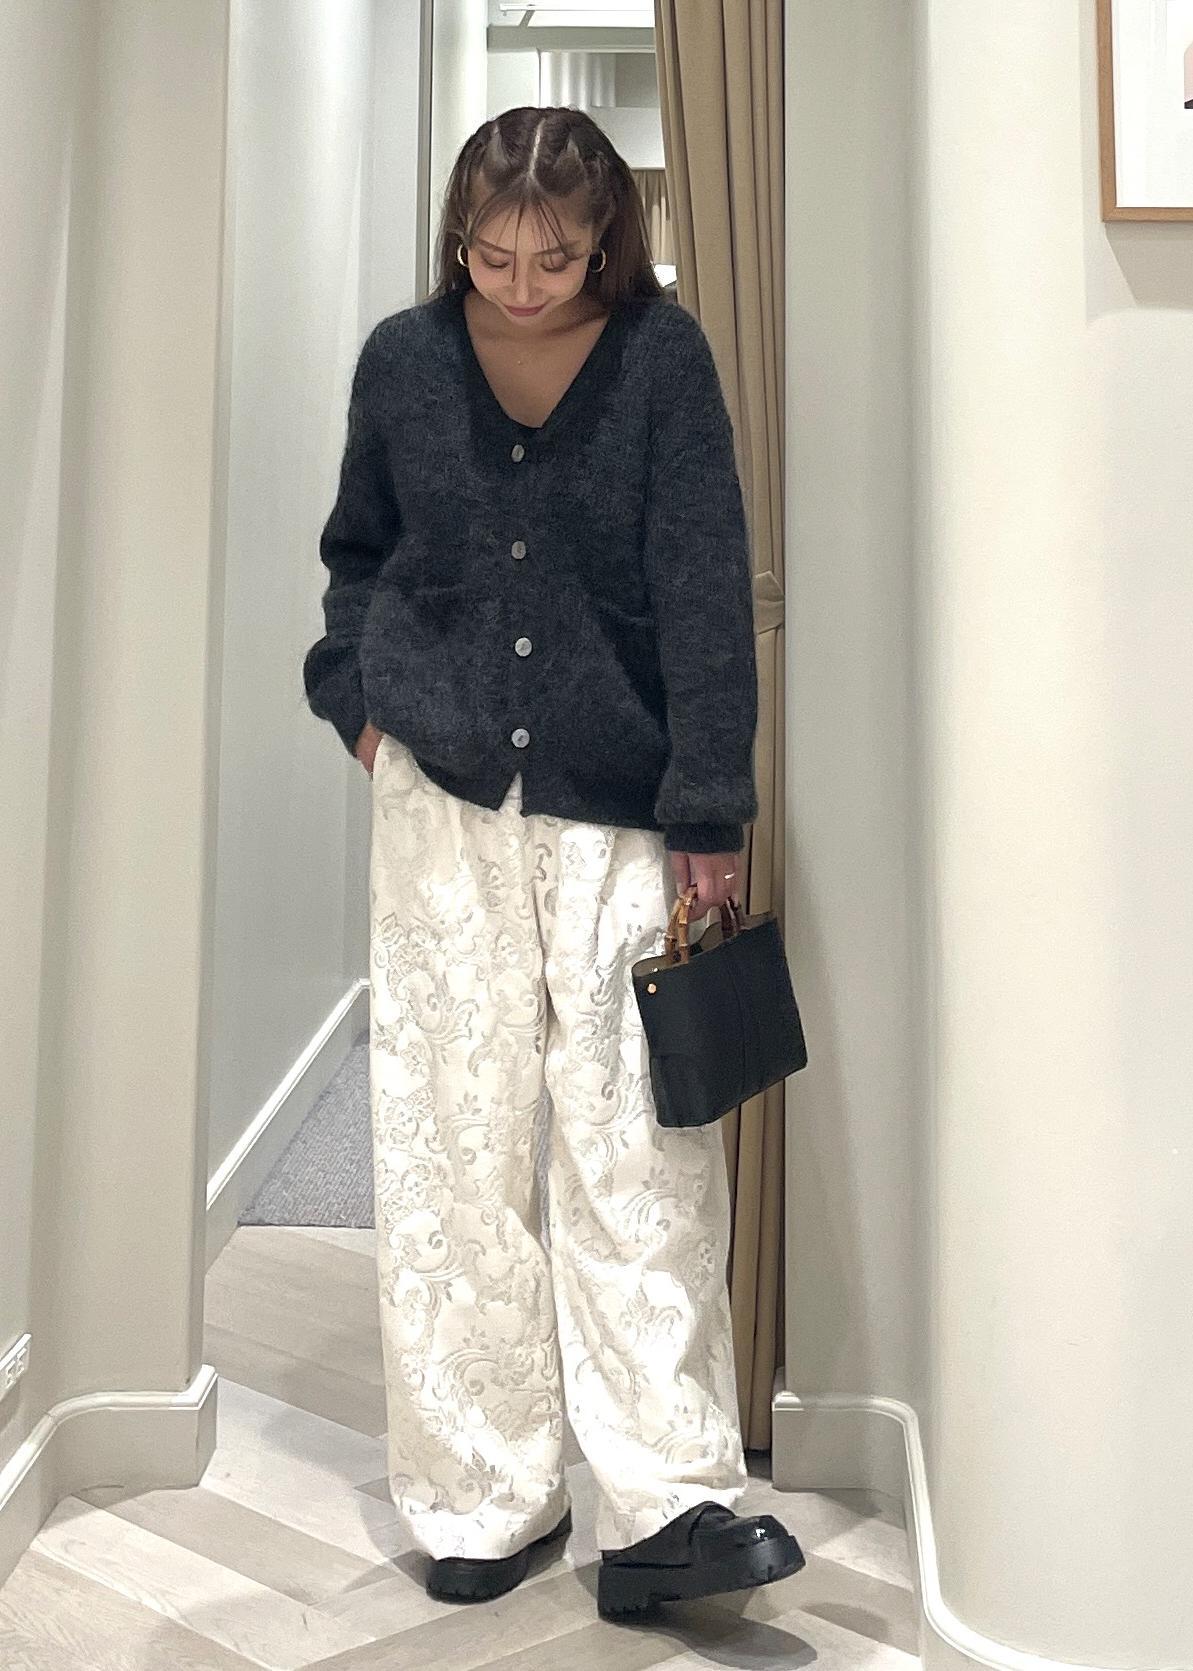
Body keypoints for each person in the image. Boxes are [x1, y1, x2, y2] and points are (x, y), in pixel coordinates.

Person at [301, 106, 804, 1620]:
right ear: (460, 235)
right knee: (450, 1138)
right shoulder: (402, 362)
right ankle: (482, 1489)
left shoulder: (663, 363)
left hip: (621, 803)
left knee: (637, 1154)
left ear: (606, 243)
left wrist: (709, 808)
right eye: (493, 254)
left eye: (555, 257)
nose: (520, 285)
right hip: (439, 796)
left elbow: (702, 588)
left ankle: (667, 1505)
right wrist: (356, 700)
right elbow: (357, 554)